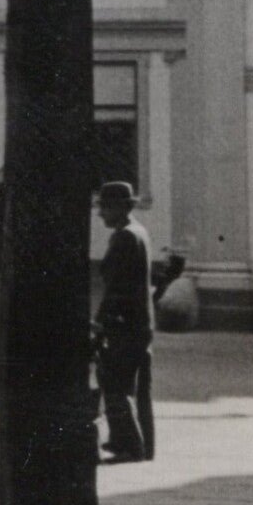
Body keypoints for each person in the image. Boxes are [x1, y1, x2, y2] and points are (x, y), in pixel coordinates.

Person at [94, 181, 153, 463]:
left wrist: (99, 322)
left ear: (120, 207)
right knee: (127, 386)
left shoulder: (124, 238)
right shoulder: (138, 232)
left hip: (124, 324)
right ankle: (122, 441)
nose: (99, 213)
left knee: (115, 386)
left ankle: (131, 447)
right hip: (139, 323)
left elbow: (116, 287)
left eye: (104, 207)